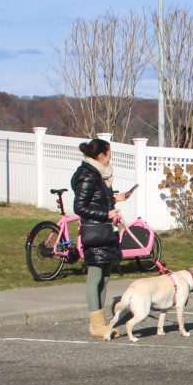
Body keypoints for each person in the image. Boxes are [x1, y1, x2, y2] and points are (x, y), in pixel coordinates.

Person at [71, 137, 126, 338]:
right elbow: (80, 207)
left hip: (106, 230)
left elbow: (97, 199)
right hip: (95, 231)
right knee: (95, 277)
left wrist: (114, 199)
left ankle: (100, 323)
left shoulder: (100, 174)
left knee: (105, 276)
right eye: (109, 154)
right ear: (101, 155)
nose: (110, 158)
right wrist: (106, 213)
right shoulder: (88, 175)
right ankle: (96, 325)